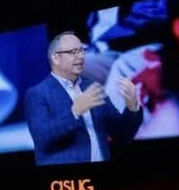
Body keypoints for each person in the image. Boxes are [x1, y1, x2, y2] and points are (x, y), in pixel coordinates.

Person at [26, 32, 145, 166]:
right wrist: (75, 112)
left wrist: (132, 108)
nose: (80, 56)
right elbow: (42, 138)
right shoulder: (37, 93)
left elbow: (122, 137)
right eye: (72, 52)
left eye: (81, 51)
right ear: (56, 58)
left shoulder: (93, 87)